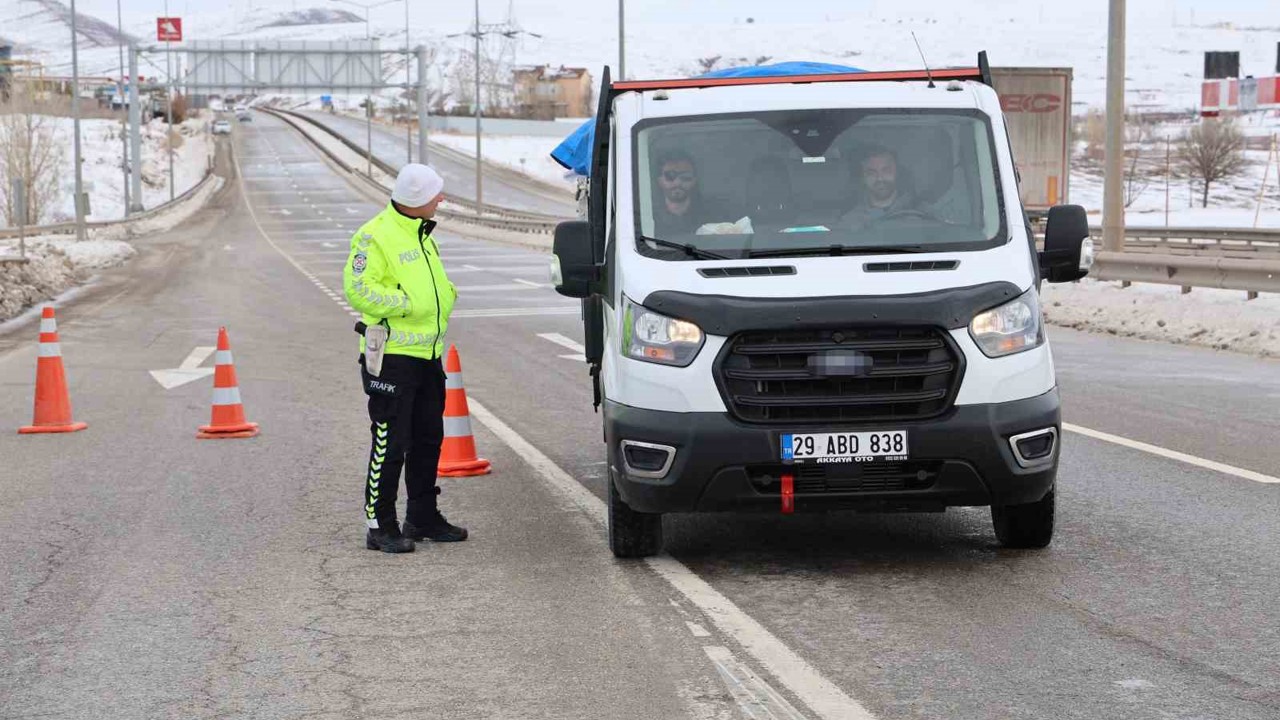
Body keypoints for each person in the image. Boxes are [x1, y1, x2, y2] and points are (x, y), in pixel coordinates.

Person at [343, 163, 467, 554]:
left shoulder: (421, 233)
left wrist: (446, 293)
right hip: (393, 356)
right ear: (418, 199)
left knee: (428, 438)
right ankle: (380, 525)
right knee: (390, 441)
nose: (441, 199)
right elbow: (359, 289)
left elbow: (431, 284)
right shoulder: (375, 236)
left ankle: (423, 517)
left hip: (426, 355)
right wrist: (409, 304)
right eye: (436, 194)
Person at [650, 150, 731, 236]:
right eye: (670, 176)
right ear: (660, 180)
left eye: (685, 176)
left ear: (694, 180)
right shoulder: (647, 216)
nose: (678, 182)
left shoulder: (715, 215)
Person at [840, 146, 918, 229]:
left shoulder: (922, 213)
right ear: (863, 177)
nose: (880, 178)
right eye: (872, 173)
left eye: (886, 171)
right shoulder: (850, 220)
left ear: (897, 172)